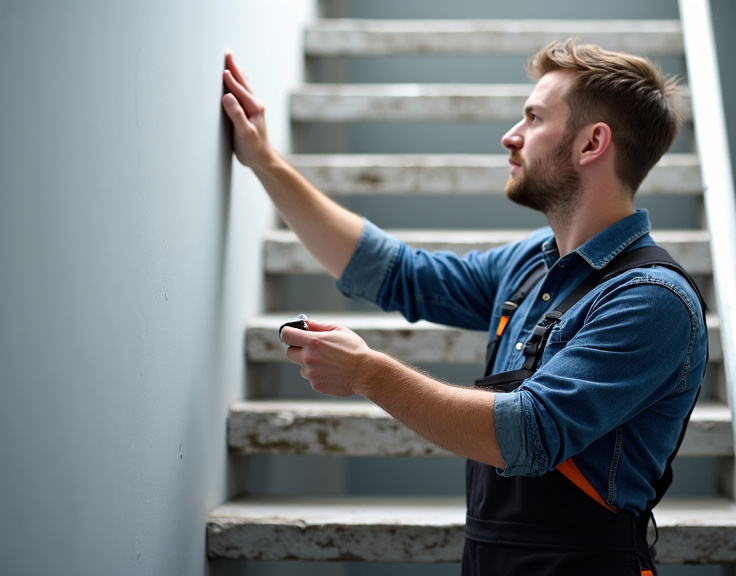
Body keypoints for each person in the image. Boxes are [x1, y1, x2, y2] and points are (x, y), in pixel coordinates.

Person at [222, 39, 708, 576]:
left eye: (533, 116)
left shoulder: (650, 299)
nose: (511, 135)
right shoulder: (530, 265)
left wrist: (367, 372)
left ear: (592, 143)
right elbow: (397, 273)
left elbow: (529, 431)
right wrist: (264, 162)